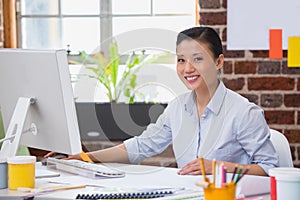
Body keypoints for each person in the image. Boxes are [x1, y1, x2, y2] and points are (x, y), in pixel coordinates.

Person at [46, 26, 279, 176]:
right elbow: (141, 146)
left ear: (219, 62)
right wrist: (85, 158)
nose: (187, 69)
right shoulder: (178, 108)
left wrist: (220, 168)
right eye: (180, 60)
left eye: (198, 59)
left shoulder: (244, 113)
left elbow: (271, 169)